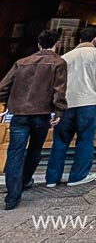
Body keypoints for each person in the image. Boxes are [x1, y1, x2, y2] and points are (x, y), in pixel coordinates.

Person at [0, 29, 67, 211]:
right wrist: (59, 112)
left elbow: (2, 87)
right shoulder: (58, 63)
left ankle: (12, 195)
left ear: (38, 44)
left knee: (15, 152)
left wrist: (5, 105)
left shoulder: (21, 63)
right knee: (35, 149)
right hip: (41, 113)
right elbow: (59, 91)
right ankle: (25, 180)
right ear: (57, 44)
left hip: (19, 114)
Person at [45, 26, 96, 188]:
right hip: (88, 102)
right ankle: (78, 176)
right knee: (85, 140)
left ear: (79, 40)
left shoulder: (65, 56)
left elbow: (56, 81)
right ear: (95, 40)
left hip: (65, 104)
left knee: (60, 141)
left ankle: (52, 179)